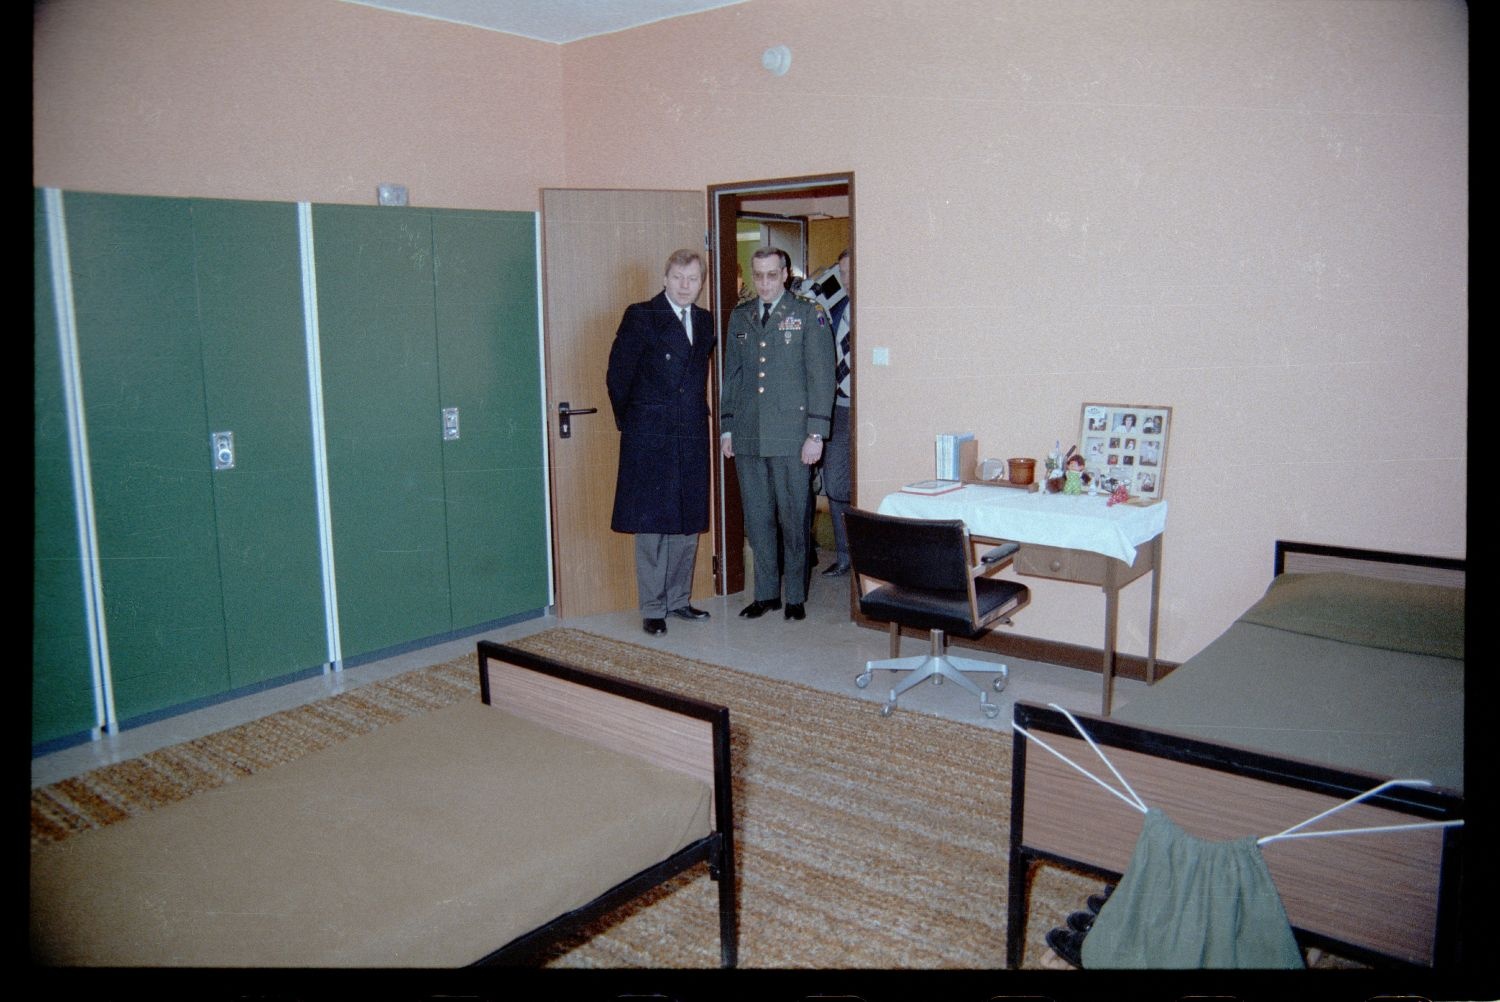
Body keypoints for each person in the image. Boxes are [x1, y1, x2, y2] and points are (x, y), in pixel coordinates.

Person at [720, 246, 836, 621]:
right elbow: (733, 377)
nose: (765, 283)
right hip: (750, 432)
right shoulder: (740, 317)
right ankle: (766, 593)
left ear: (785, 273)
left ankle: (796, 596)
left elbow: (822, 377)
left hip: (792, 435)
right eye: (759, 275)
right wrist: (727, 428)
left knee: (793, 518)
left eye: (772, 275)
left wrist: (816, 434)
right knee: (757, 519)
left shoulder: (807, 314)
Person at [606, 249, 715, 636]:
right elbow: (617, 377)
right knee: (652, 523)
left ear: (702, 282)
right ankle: (652, 607)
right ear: (665, 278)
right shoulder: (642, 315)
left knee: (687, 520)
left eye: (693, 279)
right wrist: (635, 424)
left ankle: (679, 600)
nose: (686, 286)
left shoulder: (705, 321)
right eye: (678, 278)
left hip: (690, 432)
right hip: (649, 435)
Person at [820, 249, 854, 577]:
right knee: (836, 481)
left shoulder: (877, 306)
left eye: (850, 270)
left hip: (871, 410)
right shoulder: (837, 308)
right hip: (840, 406)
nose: (846, 279)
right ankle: (845, 555)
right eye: (841, 273)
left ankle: (867, 559)